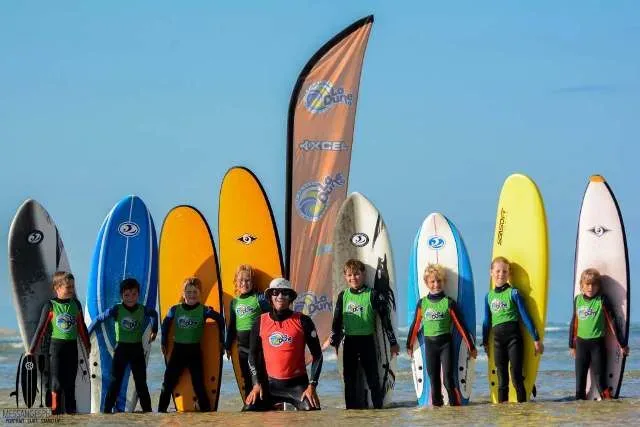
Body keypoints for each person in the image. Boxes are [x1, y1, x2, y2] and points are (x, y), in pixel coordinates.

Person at [329, 259, 399, 409]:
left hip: (367, 342)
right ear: (345, 277)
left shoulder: (372, 294)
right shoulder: (343, 296)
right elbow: (337, 320)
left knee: (373, 379)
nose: (353, 278)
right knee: (349, 381)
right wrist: (334, 341)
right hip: (349, 343)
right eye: (349, 275)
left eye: (356, 274)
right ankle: (351, 415)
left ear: (363, 274)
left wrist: (393, 343)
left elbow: (385, 320)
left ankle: (378, 413)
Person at [245, 278, 322, 411]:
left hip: (297, 386)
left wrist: (312, 386)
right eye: (275, 292)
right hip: (269, 386)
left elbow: (318, 355)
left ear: (291, 297)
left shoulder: (303, 321)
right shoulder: (260, 322)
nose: (280, 296)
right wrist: (256, 384)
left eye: (285, 293)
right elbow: (252, 355)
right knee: (248, 412)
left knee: (313, 413)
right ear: (270, 296)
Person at [406, 264, 477, 406]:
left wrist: (471, 346)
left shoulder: (449, 303)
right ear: (427, 283)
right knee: (434, 381)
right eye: (432, 281)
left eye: (439, 281)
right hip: (430, 345)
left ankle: (456, 410)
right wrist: (409, 344)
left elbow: (460, 326)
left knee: (448, 380)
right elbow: (415, 325)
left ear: (444, 282)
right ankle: (437, 413)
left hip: (446, 344)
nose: (436, 284)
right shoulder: (422, 303)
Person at [87, 278, 158, 413]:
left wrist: (155, 330)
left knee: (141, 384)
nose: (130, 298)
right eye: (127, 295)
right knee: (115, 382)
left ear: (138, 295)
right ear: (121, 296)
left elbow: (154, 314)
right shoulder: (117, 309)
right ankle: (107, 411)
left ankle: (148, 412)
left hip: (137, 350)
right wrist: (87, 333)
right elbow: (99, 319)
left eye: (134, 294)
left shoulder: (142, 309)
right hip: (121, 350)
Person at [482, 256, 544, 403]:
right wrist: (485, 341)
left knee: (516, 377)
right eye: (497, 271)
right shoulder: (488, 296)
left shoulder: (513, 293)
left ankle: (523, 410)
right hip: (497, 342)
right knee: (502, 380)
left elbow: (525, 317)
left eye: (505, 271)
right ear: (491, 272)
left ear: (509, 274)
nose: (501, 274)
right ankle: (503, 413)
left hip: (514, 340)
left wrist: (536, 339)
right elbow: (486, 321)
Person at [158, 277, 225, 412]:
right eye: (188, 292)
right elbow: (165, 324)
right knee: (167, 384)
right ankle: (161, 412)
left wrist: (221, 340)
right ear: (183, 294)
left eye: (195, 292)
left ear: (199, 293)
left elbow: (220, 319)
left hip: (194, 352)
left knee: (199, 385)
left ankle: (207, 414)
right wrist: (163, 340)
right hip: (178, 351)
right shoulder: (175, 310)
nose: (192, 295)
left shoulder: (204, 310)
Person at [29, 272, 91, 414]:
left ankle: (71, 415)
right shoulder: (50, 305)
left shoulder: (76, 304)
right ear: (57, 287)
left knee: (70, 385)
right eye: (68, 287)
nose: (71, 290)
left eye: (73, 287)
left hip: (72, 348)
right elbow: (41, 329)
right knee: (56, 383)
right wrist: (31, 350)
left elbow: (81, 327)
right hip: (55, 349)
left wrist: (88, 347)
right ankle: (55, 414)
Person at [569, 268, 629, 400]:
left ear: (598, 286)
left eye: (594, 284)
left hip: (597, 345)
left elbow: (612, 323)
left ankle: (608, 411)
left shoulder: (602, 300)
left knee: (600, 381)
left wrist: (622, 344)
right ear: (582, 285)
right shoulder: (578, 300)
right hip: (581, 344)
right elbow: (574, 322)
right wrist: (572, 345)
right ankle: (580, 416)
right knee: (579, 385)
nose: (590, 287)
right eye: (587, 284)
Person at [224, 265, 270, 399]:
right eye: (241, 281)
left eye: (248, 280)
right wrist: (227, 345)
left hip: (258, 348)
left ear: (253, 282)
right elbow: (232, 326)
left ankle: (265, 402)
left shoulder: (259, 298)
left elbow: (270, 318)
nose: (244, 283)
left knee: (260, 376)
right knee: (246, 377)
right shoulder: (234, 303)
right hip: (241, 348)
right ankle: (249, 403)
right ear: (236, 283)